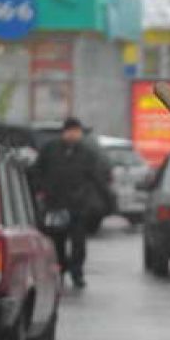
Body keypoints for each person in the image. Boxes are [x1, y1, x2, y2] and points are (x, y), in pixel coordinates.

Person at [30, 117, 115, 288]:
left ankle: (77, 273)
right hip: (55, 205)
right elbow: (37, 172)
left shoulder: (86, 153)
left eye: (78, 132)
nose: (76, 135)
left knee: (78, 243)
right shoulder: (51, 150)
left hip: (78, 206)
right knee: (57, 240)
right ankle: (59, 272)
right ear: (65, 132)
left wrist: (107, 200)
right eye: (73, 131)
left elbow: (97, 178)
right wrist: (41, 191)